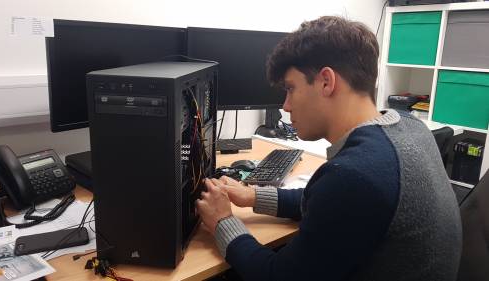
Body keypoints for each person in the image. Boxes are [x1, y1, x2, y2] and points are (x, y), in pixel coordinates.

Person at [196, 16, 461, 281]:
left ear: (326, 81)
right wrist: (253, 196)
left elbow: (276, 276)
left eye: (290, 89)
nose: (285, 106)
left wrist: (222, 222)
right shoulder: (409, 126)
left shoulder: (355, 175)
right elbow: (328, 203)